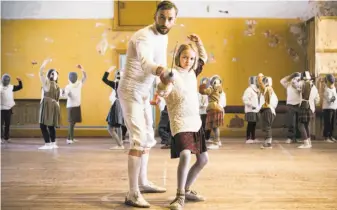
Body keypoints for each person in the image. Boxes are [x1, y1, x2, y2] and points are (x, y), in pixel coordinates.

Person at [117, 1, 178, 208]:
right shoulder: (143, 36)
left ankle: (142, 182)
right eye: (162, 17)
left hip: (143, 93)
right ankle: (132, 193)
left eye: (170, 18)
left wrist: (164, 86)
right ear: (155, 15)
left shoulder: (165, 37)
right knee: (137, 140)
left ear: (174, 20)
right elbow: (146, 63)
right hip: (130, 91)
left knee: (149, 138)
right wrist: (161, 71)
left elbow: (160, 68)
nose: (165, 22)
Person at [157, 34, 208, 210]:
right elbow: (162, 90)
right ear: (178, 57)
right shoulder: (171, 73)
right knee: (186, 155)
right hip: (179, 121)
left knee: (203, 160)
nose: (188, 60)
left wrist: (198, 43)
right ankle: (179, 197)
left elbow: (204, 58)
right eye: (185, 57)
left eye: (191, 58)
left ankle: (187, 189)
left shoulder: (193, 72)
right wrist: (164, 84)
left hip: (195, 121)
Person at [38, 58, 61, 150]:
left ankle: (47, 144)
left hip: (47, 105)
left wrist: (44, 63)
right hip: (54, 105)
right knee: (51, 125)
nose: (52, 75)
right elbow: (57, 98)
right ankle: (53, 143)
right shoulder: (57, 86)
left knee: (43, 125)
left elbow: (40, 72)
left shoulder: (47, 83)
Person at [63, 64, 87, 144]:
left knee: (73, 123)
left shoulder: (79, 84)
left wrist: (82, 69)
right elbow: (65, 94)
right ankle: (69, 139)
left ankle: (71, 138)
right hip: (71, 106)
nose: (72, 78)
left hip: (77, 105)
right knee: (71, 123)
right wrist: (63, 93)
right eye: (71, 77)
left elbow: (84, 77)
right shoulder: (68, 87)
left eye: (74, 76)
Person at [1, 74, 23, 143]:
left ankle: (6, 138)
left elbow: (20, 87)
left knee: (7, 124)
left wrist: (20, 81)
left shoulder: (11, 87)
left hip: (8, 109)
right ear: (2, 80)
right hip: (1, 109)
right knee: (0, 124)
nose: (6, 81)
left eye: (7, 80)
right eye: (5, 80)